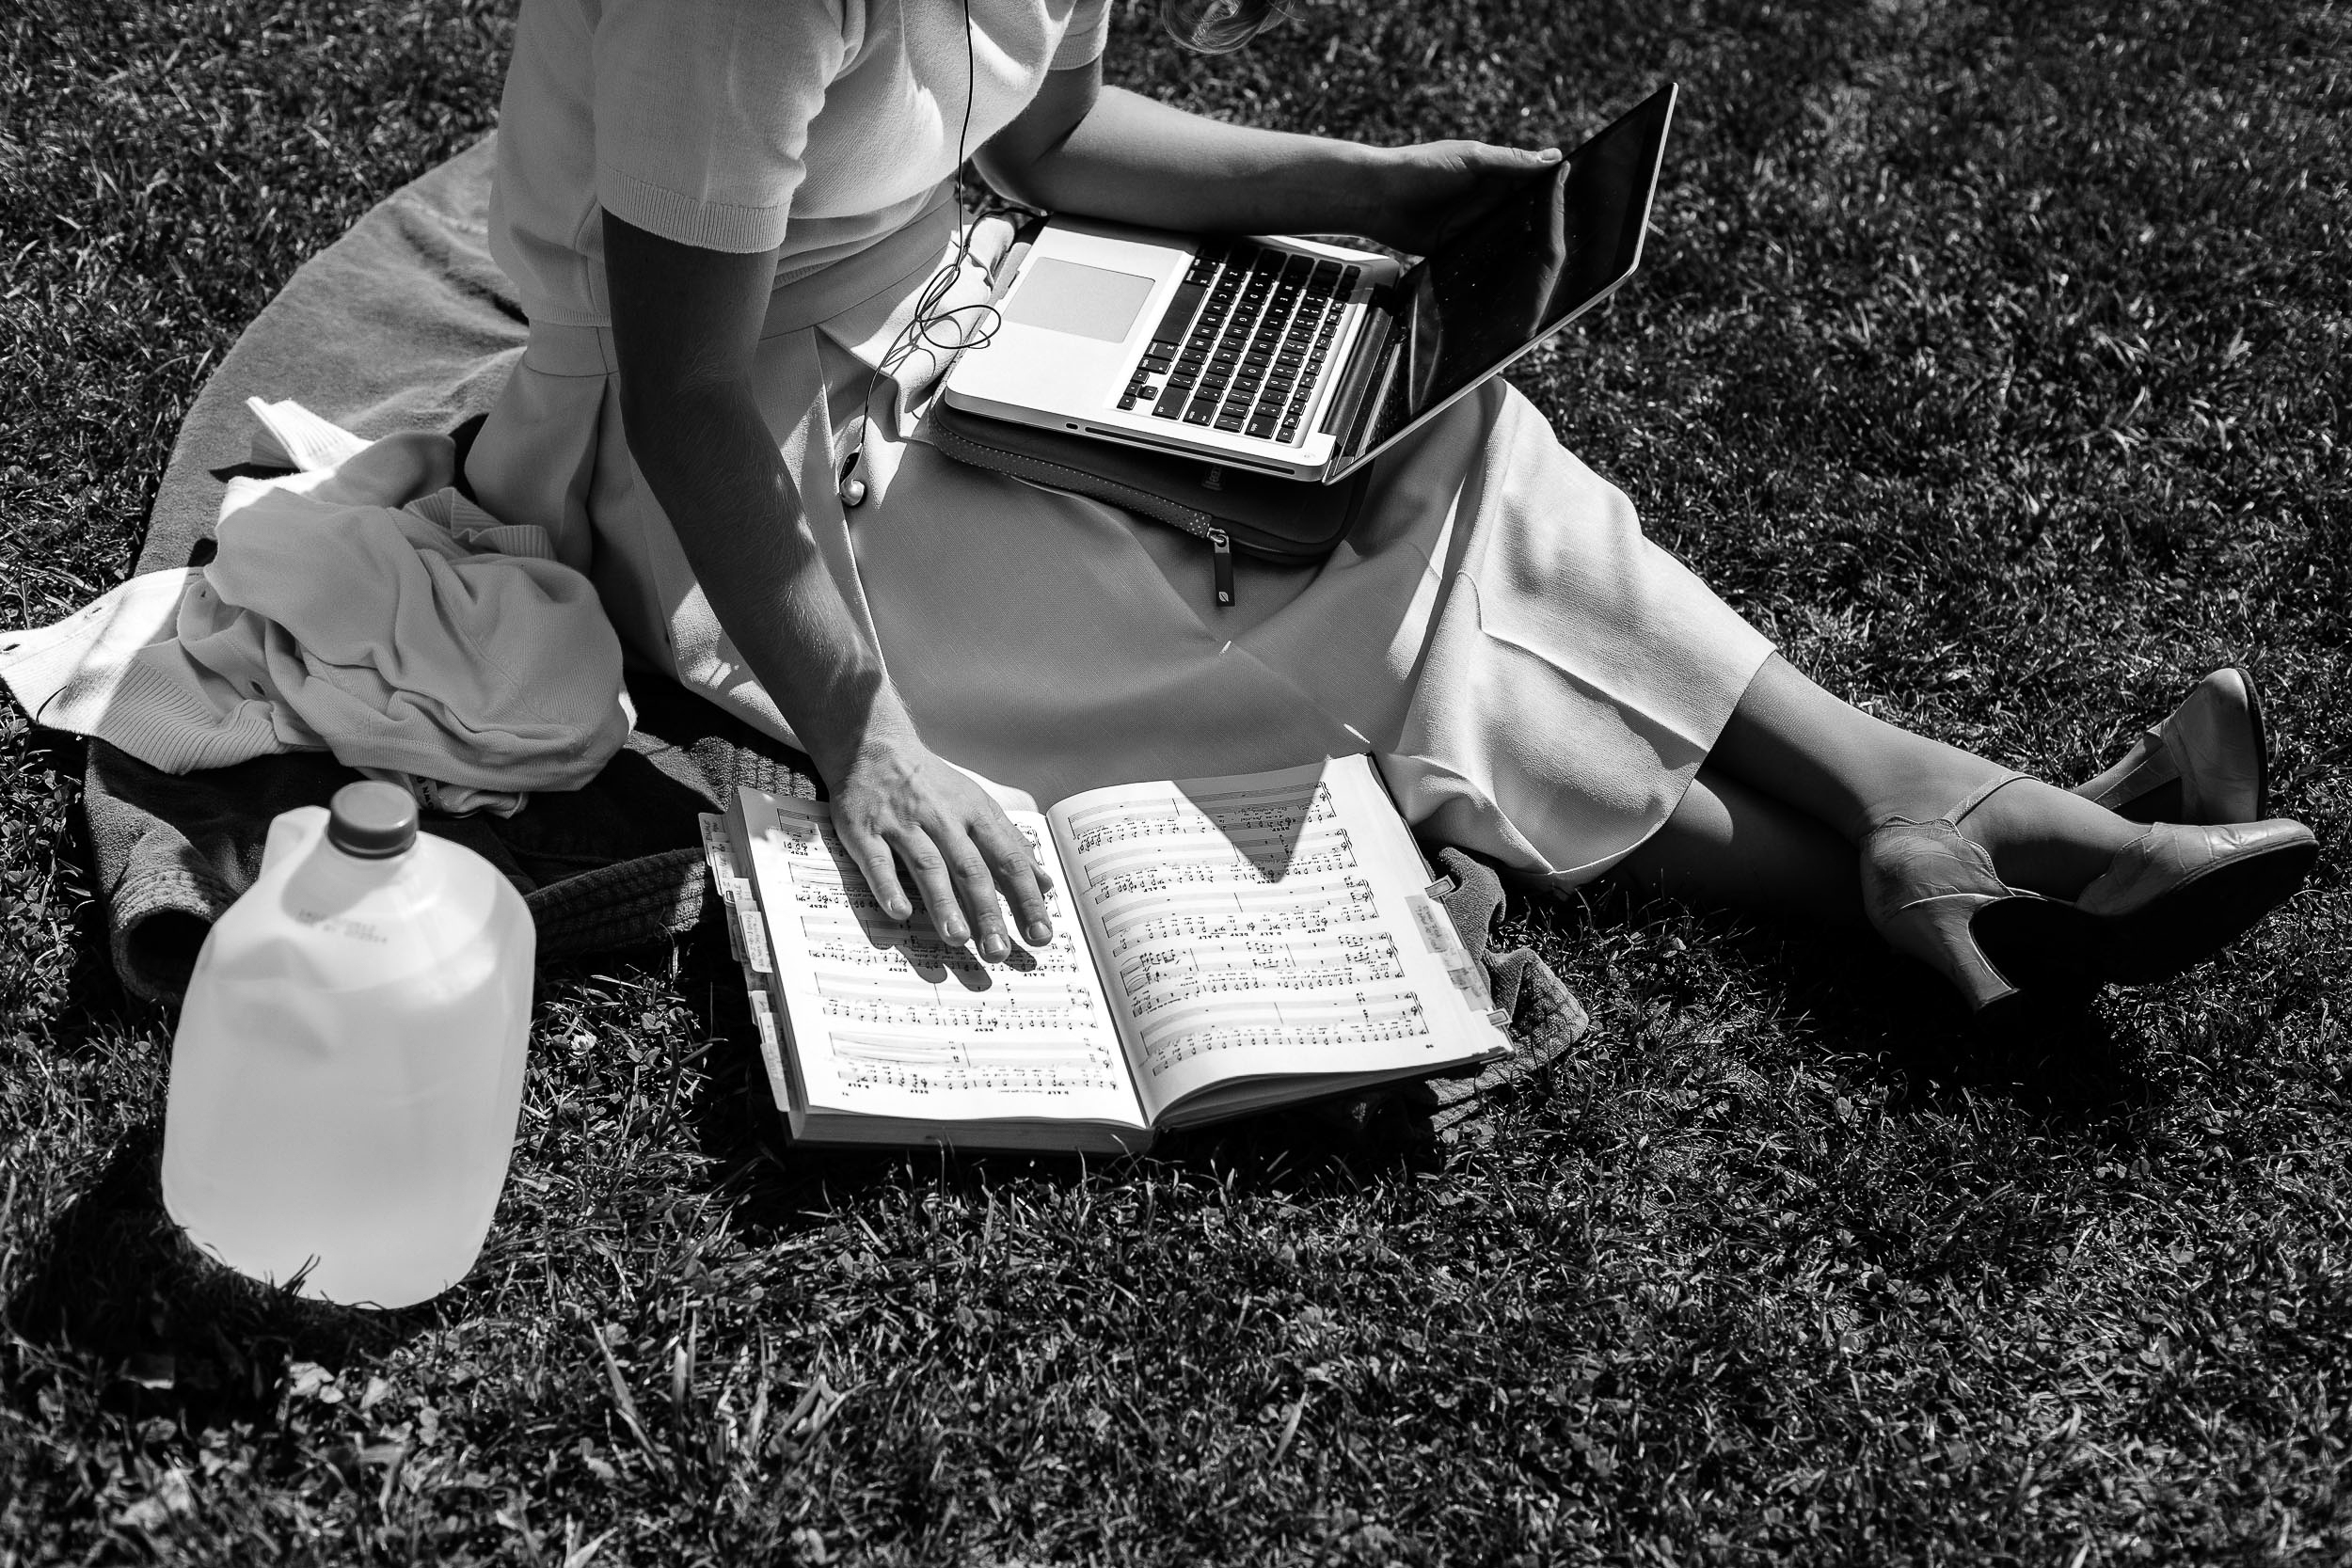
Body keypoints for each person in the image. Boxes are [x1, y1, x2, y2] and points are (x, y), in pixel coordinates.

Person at [462, 0, 2314, 1012]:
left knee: (1426, 448)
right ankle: (1950, 845)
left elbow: (1037, 140)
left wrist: (1389, 187)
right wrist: (860, 739)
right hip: (718, 435)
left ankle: (1922, 819)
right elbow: (690, 391)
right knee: (1257, 629)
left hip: (971, 299)